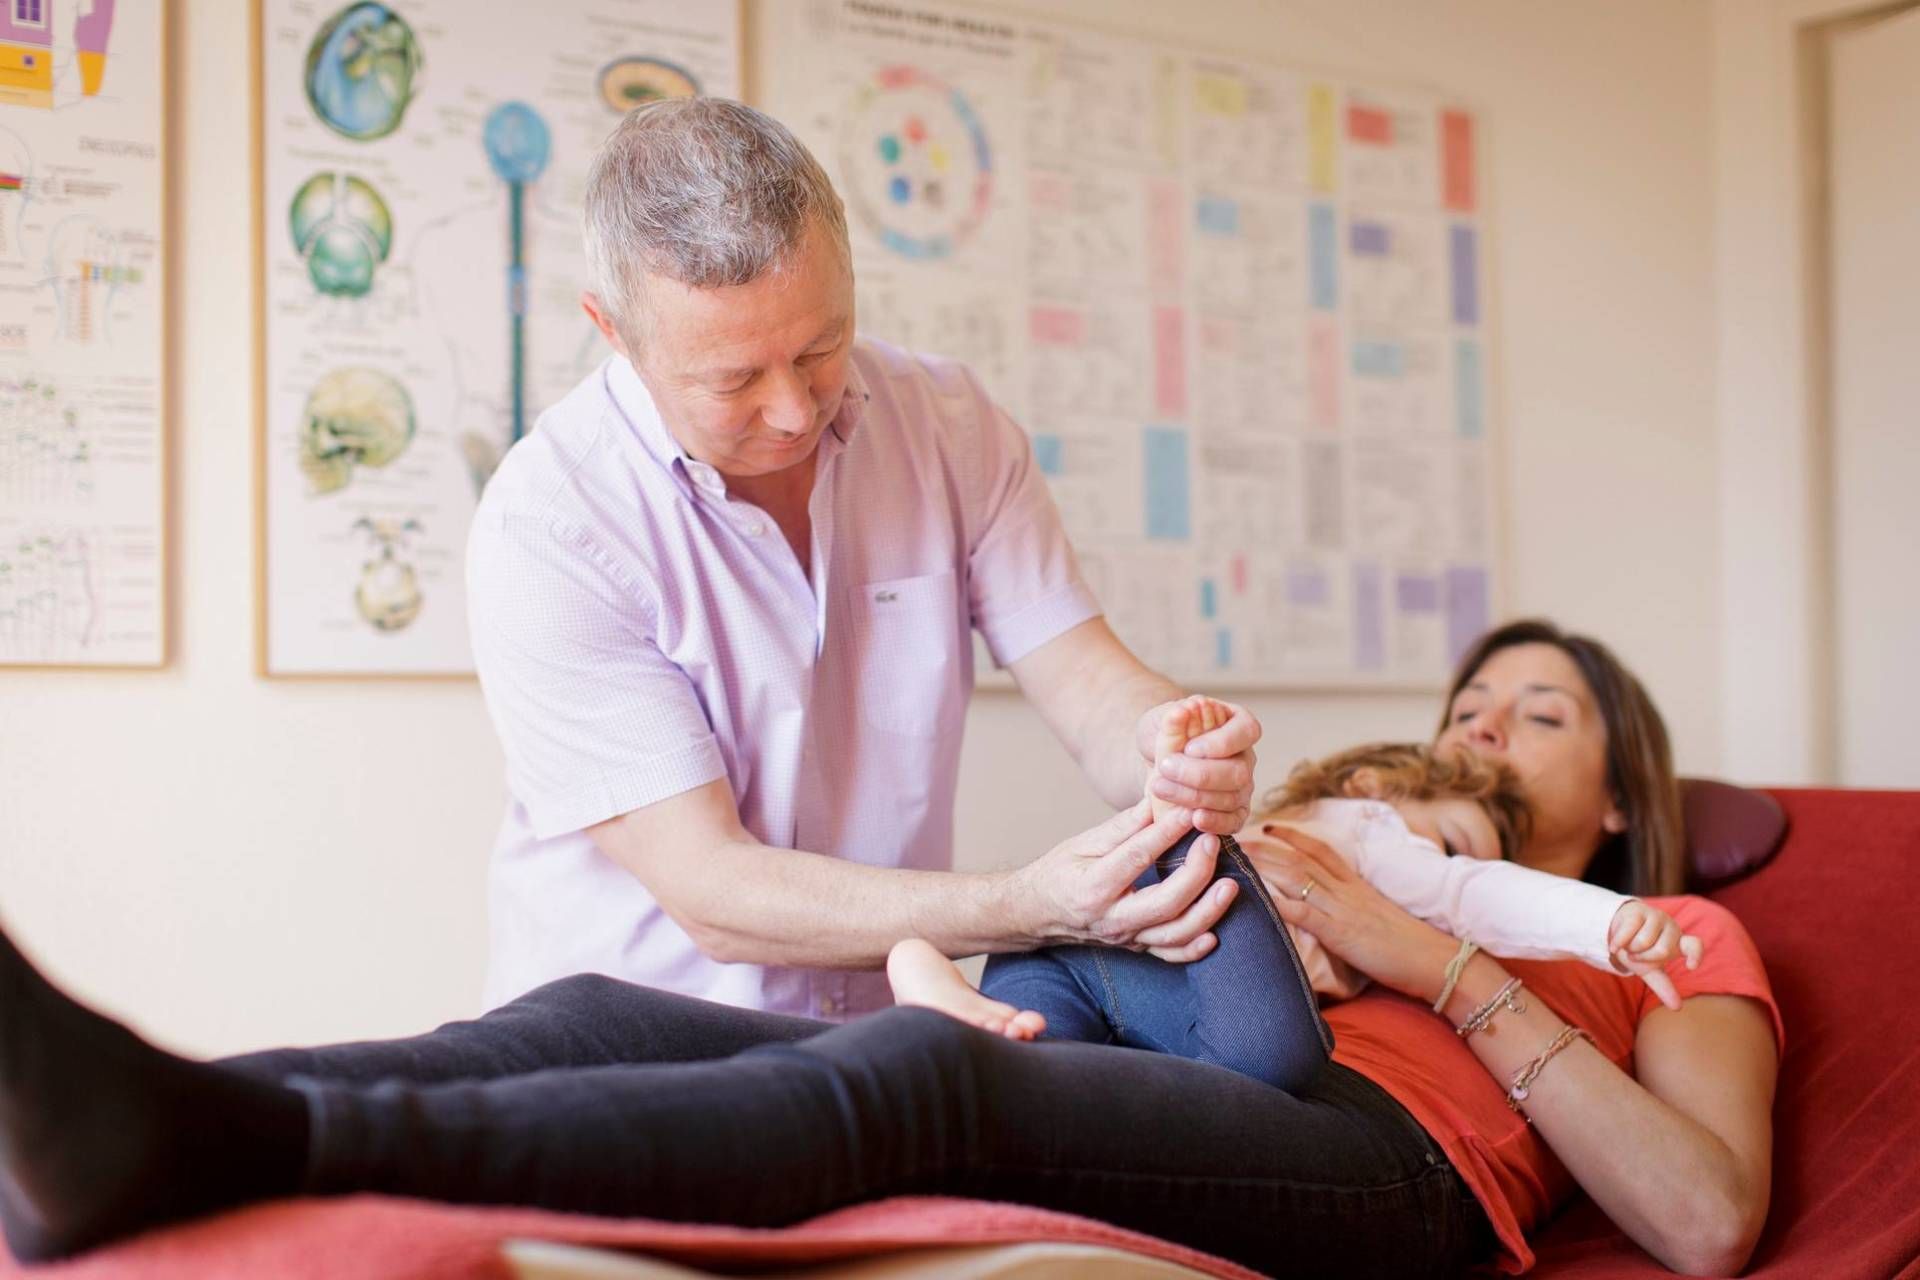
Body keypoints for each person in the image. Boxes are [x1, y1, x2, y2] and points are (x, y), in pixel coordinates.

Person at [0, 621, 1777, 1278]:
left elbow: (1705, 1222)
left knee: (911, 1083)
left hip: (1400, 1181)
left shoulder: (1672, 937)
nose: (1483, 727)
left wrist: (1433, 961)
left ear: (1619, 788)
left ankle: (249, 1147)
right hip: (1185, 1065)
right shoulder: (1343, 833)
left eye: (1537, 712)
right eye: (1469, 697)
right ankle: (146, 1108)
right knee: (600, 1004)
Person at [467, 95, 1267, 1022]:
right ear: (613, 329)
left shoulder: (950, 427)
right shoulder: (552, 526)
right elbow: (715, 891)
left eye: (820, 346)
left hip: (870, 1048)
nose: (795, 412)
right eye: (733, 380)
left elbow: (1091, 685)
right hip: (633, 1051)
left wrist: (1168, 747)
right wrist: (1031, 907)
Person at [887, 700, 1703, 1090]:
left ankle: (941, 995)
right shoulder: (1374, 829)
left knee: (1044, 1057)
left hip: (1105, 956)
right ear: (1375, 784)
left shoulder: (1362, 883)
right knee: (1282, 1058)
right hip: (1199, 908)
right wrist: (1611, 920)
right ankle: (952, 986)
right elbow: (1481, 893)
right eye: (1453, 842)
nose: (1438, 894)